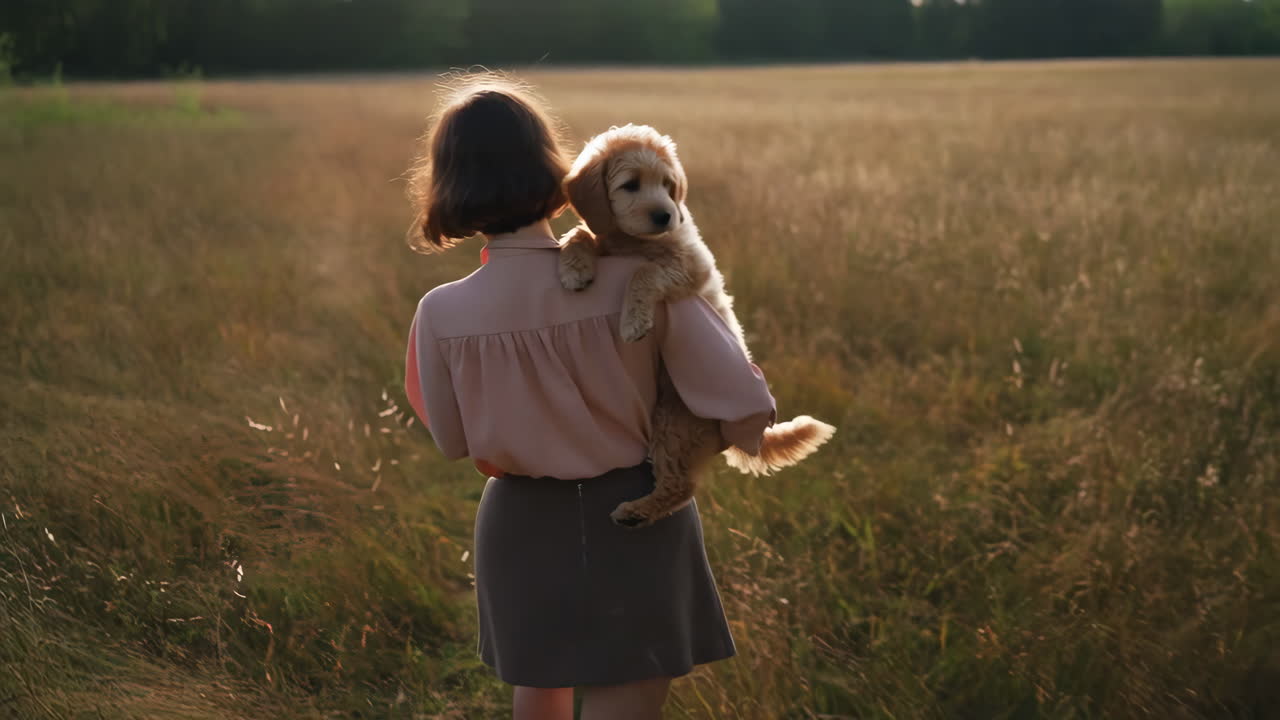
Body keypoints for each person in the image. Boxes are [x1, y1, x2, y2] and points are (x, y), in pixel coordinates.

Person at [403, 76, 777, 720]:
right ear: (557, 175)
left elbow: (452, 441)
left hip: (517, 521)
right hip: (636, 515)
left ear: (448, 187)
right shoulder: (637, 279)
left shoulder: (439, 312)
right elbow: (743, 402)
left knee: (538, 693)